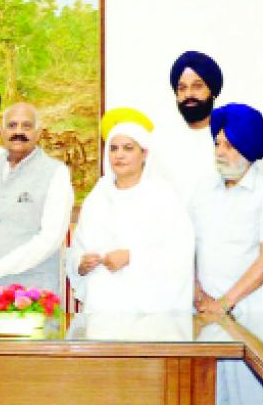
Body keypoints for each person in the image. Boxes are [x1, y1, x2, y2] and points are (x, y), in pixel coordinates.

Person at [67, 107, 194, 312]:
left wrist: (131, 257)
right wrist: (81, 263)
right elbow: (77, 249)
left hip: (149, 309)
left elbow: (180, 254)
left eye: (128, 148)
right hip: (102, 304)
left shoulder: (163, 195)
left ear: (144, 153)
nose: (119, 155)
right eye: (114, 148)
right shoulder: (98, 195)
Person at [191, 102, 263, 315]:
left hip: (252, 312)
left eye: (229, 146)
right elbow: (189, 246)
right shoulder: (202, 189)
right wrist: (197, 292)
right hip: (204, 310)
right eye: (217, 144)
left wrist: (224, 303)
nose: (220, 152)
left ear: (247, 150)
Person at [0, 102, 72, 292]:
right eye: (12, 125)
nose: (19, 132)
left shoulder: (56, 172)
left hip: (32, 291)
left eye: (27, 126)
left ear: (38, 133)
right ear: (2, 131)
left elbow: (51, 237)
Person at [158, 51, 224, 203]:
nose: (188, 94)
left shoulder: (234, 138)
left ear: (212, 91)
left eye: (197, 86)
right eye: (182, 88)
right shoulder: (161, 140)